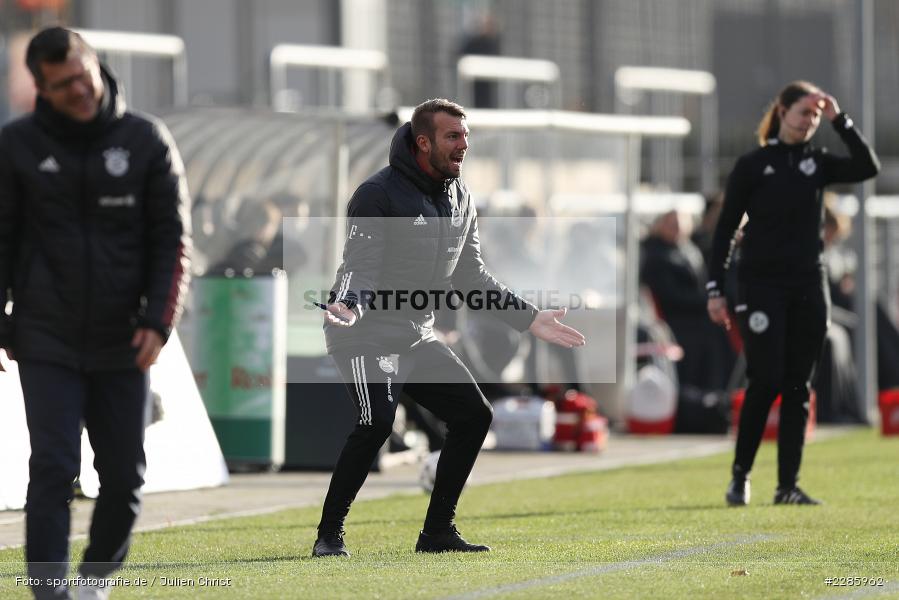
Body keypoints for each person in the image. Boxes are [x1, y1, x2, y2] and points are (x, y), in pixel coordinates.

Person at [312, 98, 585, 557]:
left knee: (474, 415)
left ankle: (437, 532)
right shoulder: (376, 194)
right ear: (424, 142)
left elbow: (472, 276)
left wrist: (529, 317)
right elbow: (361, 264)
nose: (463, 145)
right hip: (362, 331)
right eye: (452, 136)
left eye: (465, 136)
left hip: (415, 333)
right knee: (376, 422)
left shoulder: (461, 197)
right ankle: (329, 535)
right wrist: (352, 305)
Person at [0, 27, 190, 599]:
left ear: (94, 65)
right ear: (42, 88)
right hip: (44, 337)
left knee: (125, 477)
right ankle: (48, 592)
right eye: (62, 85)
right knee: (54, 469)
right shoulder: (17, 146)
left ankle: (94, 581)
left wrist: (159, 321)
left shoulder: (145, 141)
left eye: (81, 75)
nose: (78, 90)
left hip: (124, 336)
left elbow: (173, 242)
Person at [707, 81, 879, 507]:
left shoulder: (817, 163)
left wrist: (842, 121)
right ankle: (740, 476)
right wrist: (716, 286)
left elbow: (867, 166)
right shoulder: (753, 164)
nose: (809, 122)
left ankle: (787, 485)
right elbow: (726, 228)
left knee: (799, 386)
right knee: (765, 380)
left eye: (815, 117)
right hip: (761, 285)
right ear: (782, 112)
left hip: (807, 283)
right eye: (803, 113)